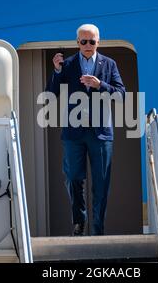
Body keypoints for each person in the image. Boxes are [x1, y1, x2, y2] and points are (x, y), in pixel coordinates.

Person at [45, 24, 126, 236]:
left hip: (101, 134)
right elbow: (50, 95)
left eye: (92, 41)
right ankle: (79, 224)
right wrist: (56, 71)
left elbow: (121, 95)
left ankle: (98, 230)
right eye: (83, 41)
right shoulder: (68, 64)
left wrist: (101, 85)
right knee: (73, 177)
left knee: (101, 184)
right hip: (74, 134)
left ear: (99, 42)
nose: (88, 45)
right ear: (77, 43)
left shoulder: (109, 64)